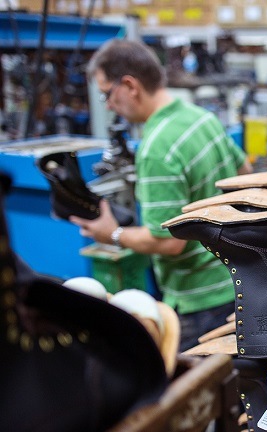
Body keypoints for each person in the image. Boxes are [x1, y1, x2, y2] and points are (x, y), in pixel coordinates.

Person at [70, 39, 252, 351]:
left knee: (193, 379)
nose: (108, 105)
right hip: (237, 281)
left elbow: (169, 242)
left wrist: (111, 233)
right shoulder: (201, 117)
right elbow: (246, 172)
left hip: (198, 302)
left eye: (107, 94)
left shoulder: (157, 148)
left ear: (130, 85)